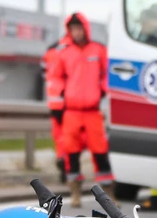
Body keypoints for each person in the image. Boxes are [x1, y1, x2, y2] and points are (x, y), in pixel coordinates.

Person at [47, 12, 115, 207]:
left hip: (92, 111)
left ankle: (109, 196)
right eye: (73, 29)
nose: (76, 33)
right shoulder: (64, 53)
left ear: (86, 29)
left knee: (100, 152)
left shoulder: (98, 50)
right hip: (72, 112)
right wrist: (58, 103)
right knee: (71, 154)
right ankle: (75, 194)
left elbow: (106, 74)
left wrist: (103, 90)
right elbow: (56, 77)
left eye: (79, 28)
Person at [43, 40, 66, 182]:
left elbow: (43, 72)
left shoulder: (49, 51)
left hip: (53, 103)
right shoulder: (70, 50)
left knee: (58, 138)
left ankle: (62, 162)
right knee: (70, 138)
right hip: (68, 103)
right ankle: (66, 165)